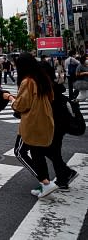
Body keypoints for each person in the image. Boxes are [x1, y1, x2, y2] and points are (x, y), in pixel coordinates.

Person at [2, 53, 56, 198]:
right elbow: (51, 97)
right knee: (38, 154)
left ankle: (45, 182)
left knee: (19, 152)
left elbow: (21, 105)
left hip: (32, 123)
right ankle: (44, 185)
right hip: (45, 120)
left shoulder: (28, 81)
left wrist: (10, 98)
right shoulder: (42, 78)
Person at [38, 62, 79, 191]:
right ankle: (64, 176)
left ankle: (64, 177)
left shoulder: (48, 88)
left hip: (55, 124)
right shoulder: (54, 87)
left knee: (49, 151)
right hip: (59, 124)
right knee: (54, 152)